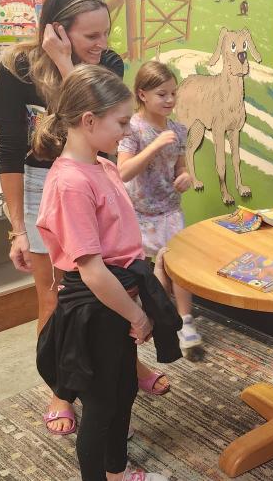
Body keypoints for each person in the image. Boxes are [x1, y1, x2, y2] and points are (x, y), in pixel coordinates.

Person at [0, 0, 165, 435]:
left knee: (113, 288)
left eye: (105, 33)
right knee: (54, 296)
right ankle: (61, 389)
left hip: (92, 179)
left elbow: (93, 120)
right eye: (91, 35)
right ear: (56, 29)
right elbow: (10, 150)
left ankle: (126, 369)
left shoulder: (103, 62)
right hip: (37, 185)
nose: (103, 45)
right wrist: (16, 228)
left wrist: (67, 60)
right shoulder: (16, 68)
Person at [32, 64, 178, 481]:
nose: (127, 129)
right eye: (120, 121)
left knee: (124, 390)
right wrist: (138, 317)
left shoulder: (105, 167)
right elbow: (93, 270)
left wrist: (135, 306)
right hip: (96, 307)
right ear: (88, 120)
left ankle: (117, 471)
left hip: (119, 299)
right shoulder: (70, 183)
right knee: (99, 405)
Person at [117, 61, 201, 351]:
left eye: (173, 93)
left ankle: (185, 320)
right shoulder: (131, 128)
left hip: (169, 209)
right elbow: (123, 172)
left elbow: (181, 166)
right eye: (162, 94)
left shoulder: (178, 129)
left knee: (178, 264)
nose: (170, 100)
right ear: (142, 94)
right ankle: (148, 317)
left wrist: (185, 177)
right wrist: (153, 146)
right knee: (144, 272)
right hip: (137, 213)